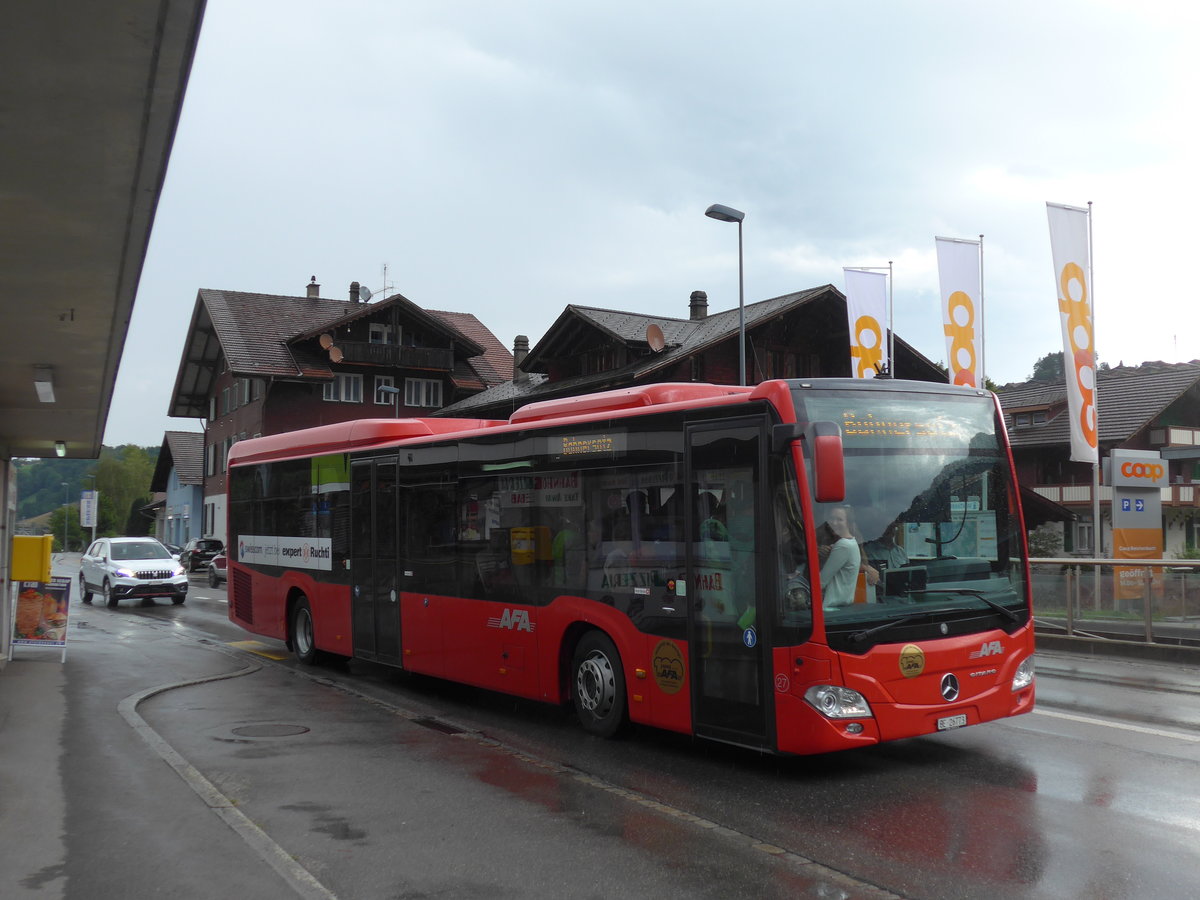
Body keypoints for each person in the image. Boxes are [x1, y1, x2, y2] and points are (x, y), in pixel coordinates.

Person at [818, 505, 861, 608]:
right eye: (831, 518)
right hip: (842, 606)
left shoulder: (843, 545)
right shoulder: (851, 542)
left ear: (848, 522)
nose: (834, 523)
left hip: (831, 608)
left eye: (839, 519)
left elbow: (820, 582)